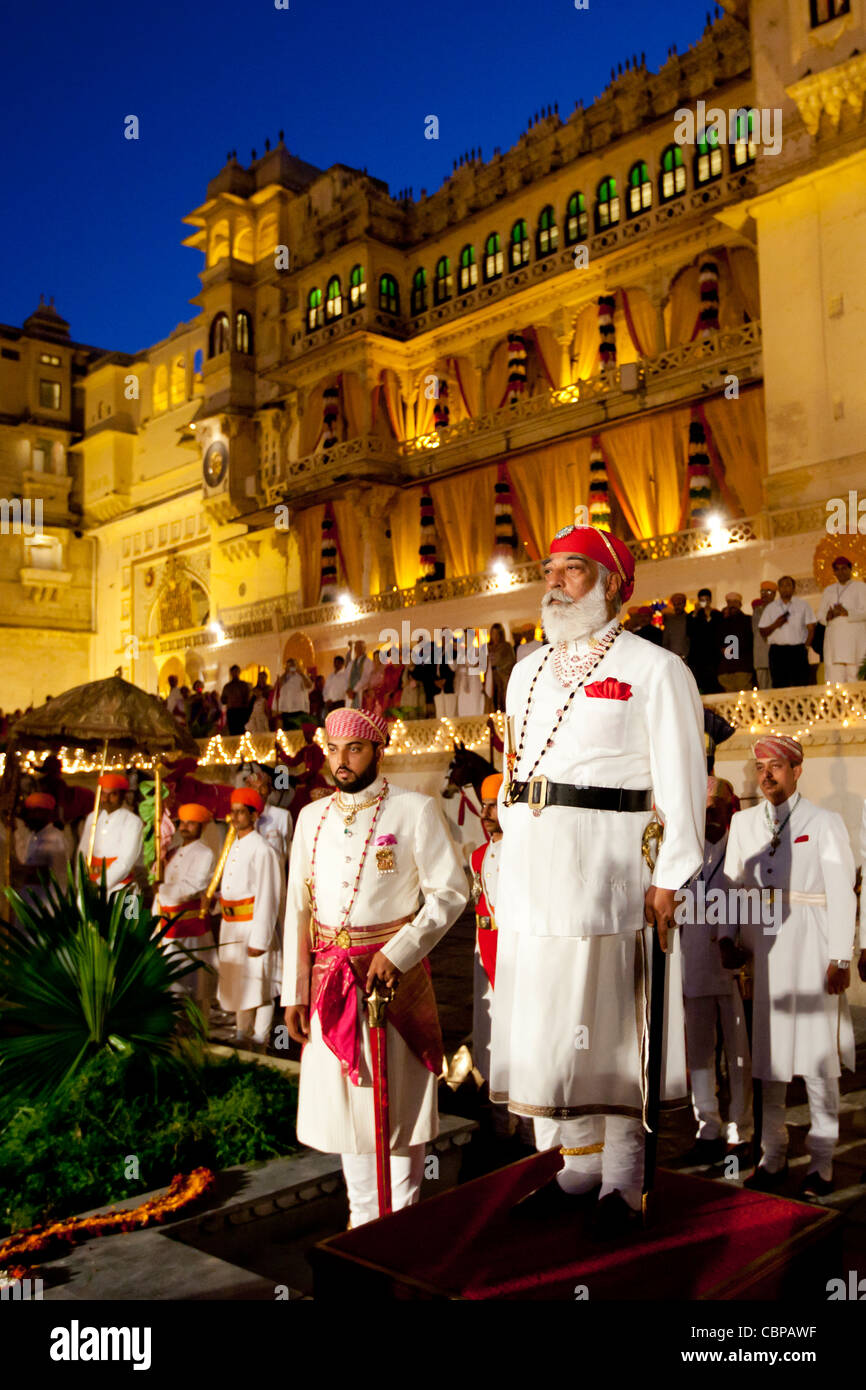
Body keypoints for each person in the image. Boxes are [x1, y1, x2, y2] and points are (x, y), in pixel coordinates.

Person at [490, 523, 705, 1237]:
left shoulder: (656, 669)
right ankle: (577, 1168)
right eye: (548, 569)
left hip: (610, 871)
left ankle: (622, 1182)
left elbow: (682, 780)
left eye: (573, 570)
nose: (554, 581)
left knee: (611, 1028)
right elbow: (516, 769)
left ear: (612, 583)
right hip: (533, 875)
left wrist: (670, 875)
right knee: (555, 1026)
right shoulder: (524, 670)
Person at [282, 706, 467, 1228]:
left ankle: (400, 1230)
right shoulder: (311, 818)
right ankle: (362, 1229)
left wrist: (400, 952)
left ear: (378, 750)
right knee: (349, 1117)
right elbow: (297, 908)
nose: (342, 761)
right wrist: (293, 992)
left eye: (355, 749)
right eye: (333, 750)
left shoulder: (413, 810)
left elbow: (451, 892)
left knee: (397, 1111)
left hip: (391, 985)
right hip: (328, 984)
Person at [719, 736, 856, 1198]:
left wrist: (841, 955)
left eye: (776, 767)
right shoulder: (742, 823)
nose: (767, 776)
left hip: (815, 949)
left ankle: (822, 1164)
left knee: (819, 1062)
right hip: (766, 955)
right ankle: (772, 1157)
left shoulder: (824, 822)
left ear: (797, 770)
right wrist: (727, 938)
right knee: (769, 1060)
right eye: (760, 768)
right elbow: (733, 888)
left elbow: (842, 892)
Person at [679, 777, 752, 1165]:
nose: (708, 818)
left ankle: (740, 1133)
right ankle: (707, 1125)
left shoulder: (740, 850)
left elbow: (747, 901)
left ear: (729, 811)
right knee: (700, 1054)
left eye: (715, 811)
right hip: (694, 963)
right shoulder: (687, 854)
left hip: (730, 966)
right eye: (703, 811)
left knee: (737, 1055)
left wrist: (732, 942)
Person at [215, 787, 283, 1050]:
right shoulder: (233, 847)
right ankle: (242, 1034)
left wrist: (261, 939)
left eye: (241, 812)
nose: (235, 817)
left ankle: (261, 1038)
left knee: (260, 986)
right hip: (231, 928)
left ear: (254, 815)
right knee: (239, 984)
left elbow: (268, 895)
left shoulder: (263, 849)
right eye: (233, 812)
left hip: (253, 927)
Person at [153, 803, 217, 1027]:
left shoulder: (205, 853)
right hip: (166, 926)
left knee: (194, 985)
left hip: (189, 929)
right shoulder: (172, 851)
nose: (185, 827)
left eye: (191, 823)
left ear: (202, 826)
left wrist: (161, 888)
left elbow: (192, 886)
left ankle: (197, 1031)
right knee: (169, 982)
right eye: (182, 823)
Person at [470, 773, 503, 1085]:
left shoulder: (522, 853)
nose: (485, 814)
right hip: (483, 947)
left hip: (511, 949)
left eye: (493, 806)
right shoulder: (477, 855)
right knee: (486, 1024)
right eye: (483, 806)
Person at [77, 774, 144, 896]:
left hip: (120, 888)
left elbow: (126, 862)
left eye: (113, 794)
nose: (106, 799)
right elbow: (82, 852)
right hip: (89, 886)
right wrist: (79, 882)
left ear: (123, 796)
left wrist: (99, 884)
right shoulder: (93, 817)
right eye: (103, 794)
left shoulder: (132, 821)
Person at [12, 792, 70, 911]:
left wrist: (53, 906)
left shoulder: (55, 837)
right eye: (29, 811)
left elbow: (60, 876)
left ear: (47, 813)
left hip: (46, 905)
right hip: (29, 900)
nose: (31, 816)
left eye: (35, 811)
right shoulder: (32, 836)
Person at [816, 555, 866, 682]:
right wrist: (828, 616)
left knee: (854, 676)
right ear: (834, 572)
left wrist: (846, 612)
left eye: (844, 568)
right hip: (834, 641)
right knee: (835, 677)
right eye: (837, 569)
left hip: (854, 640)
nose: (841, 572)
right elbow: (820, 615)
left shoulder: (861, 587)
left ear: (850, 569)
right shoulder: (829, 590)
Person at [759, 576, 815, 689]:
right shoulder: (771, 607)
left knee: (801, 684)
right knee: (779, 686)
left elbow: (811, 628)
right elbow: (762, 631)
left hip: (798, 650)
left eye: (788, 585)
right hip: (778, 652)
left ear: (794, 588)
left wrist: (806, 646)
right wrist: (776, 624)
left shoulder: (803, 605)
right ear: (778, 589)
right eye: (782, 586)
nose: (785, 588)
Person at [282, 722, 330, 817]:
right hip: (306, 779)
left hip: (316, 780)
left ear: (312, 734)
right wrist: (281, 752)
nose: (306, 736)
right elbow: (293, 762)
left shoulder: (317, 750)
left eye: (308, 734)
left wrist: (301, 778)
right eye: (305, 734)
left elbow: (314, 769)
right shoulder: (305, 749)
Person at [687, 588, 723, 694]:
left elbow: (718, 632)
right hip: (697, 656)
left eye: (706, 599)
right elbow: (689, 632)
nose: (705, 602)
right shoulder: (692, 615)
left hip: (713, 656)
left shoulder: (717, 614)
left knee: (713, 684)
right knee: (698, 684)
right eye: (702, 600)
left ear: (710, 600)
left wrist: (708, 615)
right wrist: (696, 613)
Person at [717, 592, 754, 692]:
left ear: (740, 604)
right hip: (725, 670)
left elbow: (748, 642)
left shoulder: (748, 620)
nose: (732, 605)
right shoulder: (721, 622)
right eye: (730, 602)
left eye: (735, 602)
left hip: (743, 668)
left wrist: (733, 648)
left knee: (745, 700)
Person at [484, 623, 516, 712]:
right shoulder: (487, 647)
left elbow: (511, 661)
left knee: (503, 701)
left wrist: (500, 667)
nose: (495, 636)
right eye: (493, 633)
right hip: (491, 678)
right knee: (492, 702)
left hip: (503, 677)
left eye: (497, 633)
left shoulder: (506, 646)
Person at [751, 582, 777, 689]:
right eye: (762, 591)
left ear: (775, 594)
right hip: (760, 656)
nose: (765, 594)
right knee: (763, 690)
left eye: (768, 591)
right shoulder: (757, 610)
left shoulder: (779, 608)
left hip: (776, 654)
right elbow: (755, 631)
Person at [275, 658, 313, 728]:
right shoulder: (283, 677)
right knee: (287, 731)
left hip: (299, 708)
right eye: (289, 665)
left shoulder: (301, 676)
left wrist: (301, 673)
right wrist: (285, 673)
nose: (292, 667)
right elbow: (278, 685)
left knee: (298, 731)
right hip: (287, 709)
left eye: (293, 665)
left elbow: (309, 685)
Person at [220, 665, 251, 736]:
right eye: (233, 672)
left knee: (241, 731)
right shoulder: (227, 686)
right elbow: (223, 700)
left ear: (239, 672)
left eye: (236, 671)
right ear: (231, 673)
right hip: (231, 711)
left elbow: (247, 698)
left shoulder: (243, 685)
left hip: (241, 711)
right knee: (232, 731)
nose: (235, 673)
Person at [344, 640, 374, 711]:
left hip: (361, 693)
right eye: (356, 647)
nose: (358, 649)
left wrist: (354, 690)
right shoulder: (351, 663)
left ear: (364, 648)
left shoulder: (368, 662)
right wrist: (348, 689)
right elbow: (345, 677)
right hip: (350, 694)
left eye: (360, 647)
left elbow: (366, 678)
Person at [662, 592, 689, 661]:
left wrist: (684, 655)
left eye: (679, 604)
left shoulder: (690, 619)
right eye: (674, 604)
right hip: (672, 659)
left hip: (688, 660)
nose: (677, 607)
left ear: (685, 604)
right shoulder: (669, 621)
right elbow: (665, 642)